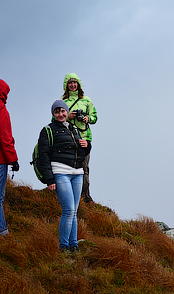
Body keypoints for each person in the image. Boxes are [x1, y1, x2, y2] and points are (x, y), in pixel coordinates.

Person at [37, 100, 91, 253]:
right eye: (57, 111)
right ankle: (63, 246)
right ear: (53, 114)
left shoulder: (74, 129)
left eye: (62, 111)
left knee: (74, 211)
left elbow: (81, 152)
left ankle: (74, 245)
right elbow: (44, 156)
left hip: (77, 174)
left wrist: (88, 145)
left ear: (67, 112)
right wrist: (49, 179)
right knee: (68, 210)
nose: (60, 114)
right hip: (60, 173)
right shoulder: (48, 130)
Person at [0, 79, 19, 237]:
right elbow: (5, 138)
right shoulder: (0, 109)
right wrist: (13, 159)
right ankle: (0, 231)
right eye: (6, 92)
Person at [62, 73, 97, 203]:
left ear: (79, 84)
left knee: (84, 168)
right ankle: (69, 195)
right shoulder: (63, 102)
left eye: (75, 82)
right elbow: (55, 119)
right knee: (68, 166)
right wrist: (68, 117)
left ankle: (85, 197)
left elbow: (95, 117)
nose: (72, 85)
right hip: (68, 138)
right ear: (66, 85)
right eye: (70, 82)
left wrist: (88, 118)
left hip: (84, 138)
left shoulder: (87, 100)